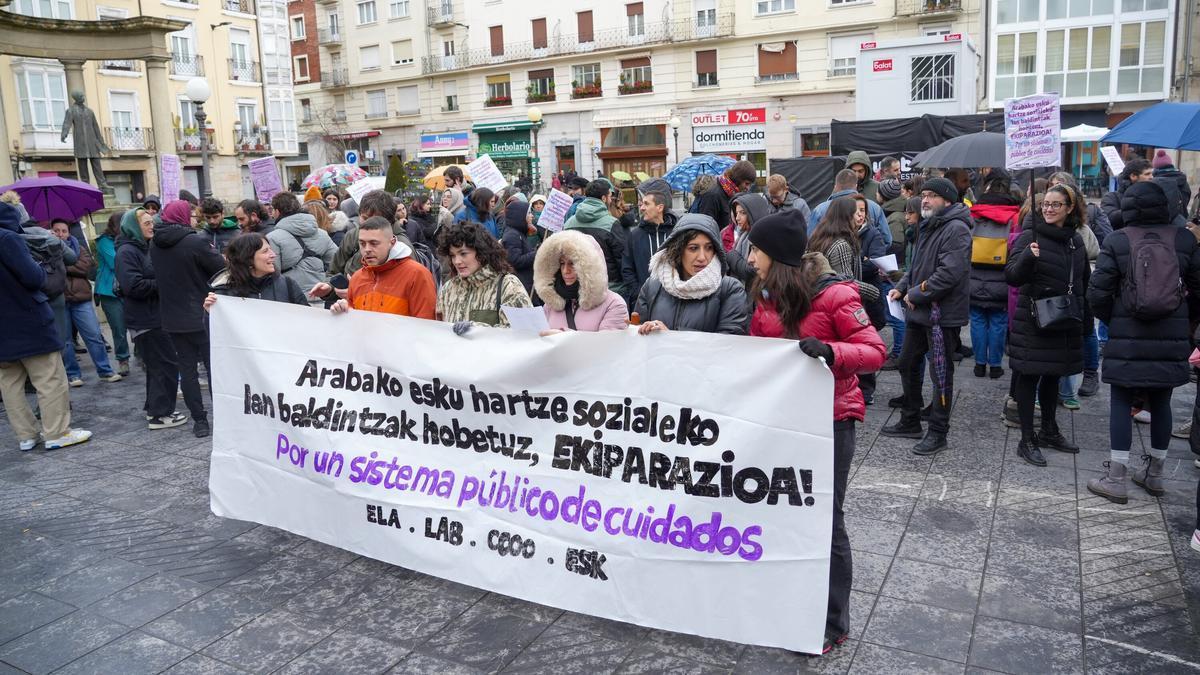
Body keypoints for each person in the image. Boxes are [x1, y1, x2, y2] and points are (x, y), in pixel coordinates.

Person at [746, 213, 886, 655]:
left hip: (830, 422)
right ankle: (790, 602)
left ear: (777, 257)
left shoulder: (836, 295)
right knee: (785, 517)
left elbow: (875, 351)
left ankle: (831, 621)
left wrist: (831, 352)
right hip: (783, 421)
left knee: (826, 521)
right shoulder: (764, 294)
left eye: (756, 251)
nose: (750, 259)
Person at [1087, 181, 1200, 503]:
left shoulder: (1118, 239)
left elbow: (1097, 291)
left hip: (1128, 333)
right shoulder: (1184, 239)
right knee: (1162, 402)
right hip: (1172, 332)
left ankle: (1116, 477)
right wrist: (1183, 321)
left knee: (1121, 402)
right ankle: (1155, 474)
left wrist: (1114, 319)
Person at [881, 178, 972, 455]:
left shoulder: (956, 229)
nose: (925, 200)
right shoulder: (929, 225)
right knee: (907, 363)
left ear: (947, 200)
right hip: (919, 312)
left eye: (932, 195)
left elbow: (948, 274)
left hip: (940, 315)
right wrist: (900, 288)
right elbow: (916, 267)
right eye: (924, 195)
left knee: (941, 374)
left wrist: (915, 294)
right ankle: (910, 419)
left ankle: (938, 431)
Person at [1005, 184, 1090, 466]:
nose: (1049, 208)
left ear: (1069, 208)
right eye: (1046, 204)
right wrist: (1028, 255)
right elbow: (1013, 276)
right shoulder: (1031, 235)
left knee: (1054, 374)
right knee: (1030, 376)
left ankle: (1049, 429)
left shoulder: (1075, 241)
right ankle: (1027, 438)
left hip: (1065, 319)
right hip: (1035, 319)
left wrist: (1086, 321)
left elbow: (1082, 284)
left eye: (1056, 204)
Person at [0, 202, 92, 450]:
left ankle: (26, 436)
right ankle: (57, 432)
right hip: (27, 319)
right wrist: (40, 269)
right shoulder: (8, 238)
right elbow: (32, 277)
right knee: (49, 377)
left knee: (10, 382)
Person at [151, 199, 226, 438]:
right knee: (215, 369)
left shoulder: (155, 243)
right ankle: (224, 418)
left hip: (173, 318)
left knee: (188, 371)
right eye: (192, 214)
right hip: (202, 314)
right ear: (183, 217)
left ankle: (200, 421)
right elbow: (220, 270)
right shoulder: (195, 241)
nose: (195, 218)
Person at [116, 208, 188, 431]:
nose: (151, 226)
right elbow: (132, 286)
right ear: (133, 227)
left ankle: (156, 409)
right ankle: (160, 414)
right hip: (145, 319)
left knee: (160, 365)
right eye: (146, 223)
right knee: (164, 364)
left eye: (151, 222)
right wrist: (165, 283)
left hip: (154, 316)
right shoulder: (127, 251)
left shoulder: (142, 247)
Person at [633, 213, 750, 335]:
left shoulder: (730, 290)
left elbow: (729, 343)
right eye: (693, 248)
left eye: (709, 248)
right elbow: (639, 336)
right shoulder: (653, 286)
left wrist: (672, 337)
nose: (702, 257)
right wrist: (640, 329)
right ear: (677, 250)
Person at [311, 216, 436, 318]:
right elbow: (355, 322)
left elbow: (425, 326)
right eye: (362, 243)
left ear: (392, 242)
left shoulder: (417, 274)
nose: (367, 250)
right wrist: (343, 311)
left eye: (374, 243)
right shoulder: (357, 277)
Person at [50, 219, 122, 386]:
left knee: (94, 335)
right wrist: (66, 263)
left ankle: (105, 370)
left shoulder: (78, 247)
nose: (61, 234)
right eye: (57, 231)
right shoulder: (47, 249)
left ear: (69, 232)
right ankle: (72, 374)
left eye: (64, 231)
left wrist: (62, 264)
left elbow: (85, 267)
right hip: (60, 300)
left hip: (80, 298)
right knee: (66, 339)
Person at [969, 175, 1020, 380]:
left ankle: (980, 364)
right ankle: (996, 365)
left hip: (974, 274)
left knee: (977, 319)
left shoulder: (974, 213)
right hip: (1003, 275)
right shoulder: (1015, 216)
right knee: (999, 321)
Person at [436, 220, 531, 328]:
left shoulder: (508, 286)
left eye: (463, 254)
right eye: (452, 255)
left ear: (481, 252)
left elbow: (525, 334)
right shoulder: (448, 289)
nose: (457, 261)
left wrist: (477, 330)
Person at [534, 230, 629, 333]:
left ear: (589, 266)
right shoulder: (551, 304)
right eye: (562, 263)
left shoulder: (613, 304)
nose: (566, 271)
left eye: (572, 264)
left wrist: (562, 337)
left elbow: (607, 345)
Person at [204, 233, 310, 310]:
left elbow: (306, 319)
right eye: (265, 251)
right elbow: (217, 334)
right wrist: (210, 313)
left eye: (270, 249)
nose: (273, 254)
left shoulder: (287, 285)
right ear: (247, 258)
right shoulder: (224, 292)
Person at [267, 191, 337, 306]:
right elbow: (338, 263)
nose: (272, 215)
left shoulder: (273, 238)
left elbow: (273, 276)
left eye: (272, 211)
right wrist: (328, 285)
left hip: (292, 302)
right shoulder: (323, 234)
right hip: (321, 300)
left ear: (277, 211)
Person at [332, 190, 418, 278]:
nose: (369, 224)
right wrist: (331, 286)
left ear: (389, 220)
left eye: (375, 219)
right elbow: (333, 272)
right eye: (365, 218)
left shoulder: (403, 247)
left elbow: (406, 286)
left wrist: (355, 290)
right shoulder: (352, 235)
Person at [564, 180, 626, 296]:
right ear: (603, 198)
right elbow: (622, 258)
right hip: (610, 287)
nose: (611, 199)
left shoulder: (568, 223)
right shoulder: (611, 223)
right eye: (609, 196)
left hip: (579, 286)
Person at [621, 182, 678, 304]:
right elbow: (627, 269)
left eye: (646, 204)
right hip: (643, 302)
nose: (641, 208)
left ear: (659, 207)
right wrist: (638, 293)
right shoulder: (634, 235)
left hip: (674, 300)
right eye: (641, 204)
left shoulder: (676, 233)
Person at [809, 169, 893, 246]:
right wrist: (871, 255)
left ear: (835, 186)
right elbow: (886, 240)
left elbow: (810, 242)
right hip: (866, 260)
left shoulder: (820, 210)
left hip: (832, 261)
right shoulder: (875, 208)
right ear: (856, 186)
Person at [94, 213, 130, 376]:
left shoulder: (130, 240)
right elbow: (116, 262)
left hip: (129, 287)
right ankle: (123, 360)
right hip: (110, 290)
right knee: (118, 328)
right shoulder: (104, 241)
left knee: (138, 325)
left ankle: (141, 355)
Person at [690, 160, 757, 230]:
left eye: (750, 184)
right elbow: (705, 228)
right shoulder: (712, 195)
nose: (748, 188)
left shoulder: (731, 193)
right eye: (746, 183)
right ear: (738, 179)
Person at [722, 192, 771, 288]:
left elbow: (752, 271)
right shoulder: (744, 234)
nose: (737, 218)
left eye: (743, 213)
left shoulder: (763, 237)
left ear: (754, 213)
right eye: (736, 213)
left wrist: (731, 255)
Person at [1102, 159, 1152, 230]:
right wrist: (1135, 206)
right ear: (1133, 176)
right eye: (1147, 174)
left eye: (1152, 174)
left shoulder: (1154, 195)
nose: (1151, 177)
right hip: (1123, 238)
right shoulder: (1112, 197)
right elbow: (1109, 219)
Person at [501, 199, 538, 293]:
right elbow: (516, 261)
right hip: (522, 285)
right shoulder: (512, 235)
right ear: (520, 215)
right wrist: (537, 253)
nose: (532, 216)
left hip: (525, 283)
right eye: (529, 213)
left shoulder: (518, 232)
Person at [1152, 149, 1192, 225]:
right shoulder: (1182, 179)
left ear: (1155, 167)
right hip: (1181, 220)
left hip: (1163, 223)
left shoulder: (1156, 182)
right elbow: (1186, 199)